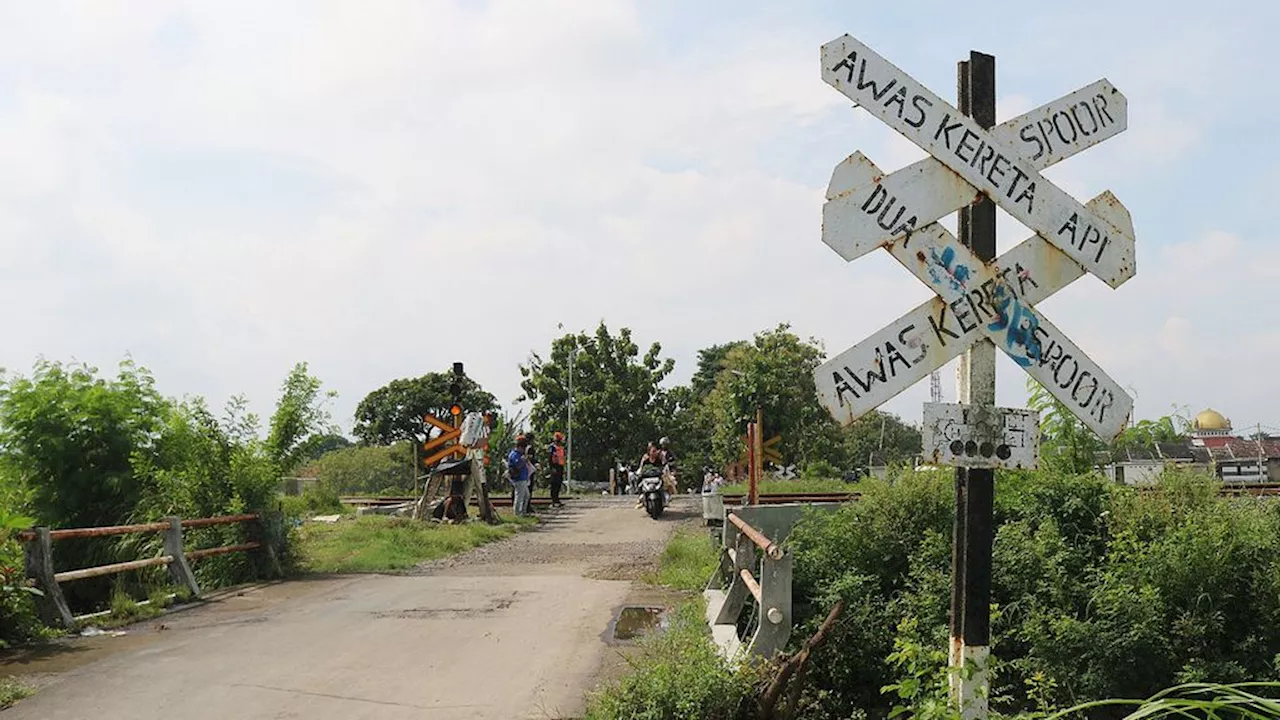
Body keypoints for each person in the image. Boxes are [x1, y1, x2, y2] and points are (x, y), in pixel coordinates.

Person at [507, 436, 532, 517]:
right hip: (518, 478)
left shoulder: (520, 454)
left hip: (523, 478)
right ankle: (517, 513)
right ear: (520, 447)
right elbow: (517, 466)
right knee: (519, 497)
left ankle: (523, 512)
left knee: (526, 496)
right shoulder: (514, 455)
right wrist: (524, 460)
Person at [547, 432, 566, 507]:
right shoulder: (552, 447)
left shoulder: (561, 447)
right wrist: (552, 468)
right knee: (554, 484)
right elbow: (550, 458)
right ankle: (553, 501)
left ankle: (557, 499)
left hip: (560, 466)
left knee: (558, 483)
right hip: (554, 467)